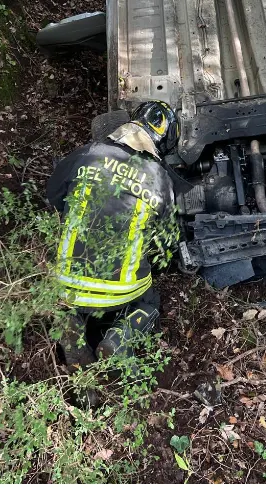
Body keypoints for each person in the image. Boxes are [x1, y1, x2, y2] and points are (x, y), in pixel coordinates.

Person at [47, 100, 180, 373]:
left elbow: (54, 196)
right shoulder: (161, 179)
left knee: (70, 300)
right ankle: (120, 337)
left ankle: (70, 324)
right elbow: (164, 243)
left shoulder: (87, 154)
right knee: (149, 300)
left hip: (68, 283)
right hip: (121, 290)